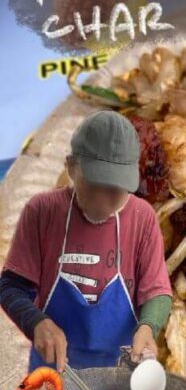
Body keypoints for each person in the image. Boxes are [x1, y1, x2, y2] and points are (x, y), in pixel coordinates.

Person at [0, 110, 172, 371]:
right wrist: (35, 322)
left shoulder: (142, 217)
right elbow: (9, 287)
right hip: (52, 373)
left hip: (120, 376)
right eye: (93, 185)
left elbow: (157, 291)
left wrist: (148, 326)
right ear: (71, 167)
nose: (103, 201)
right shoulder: (42, 211)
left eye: (115, 189)